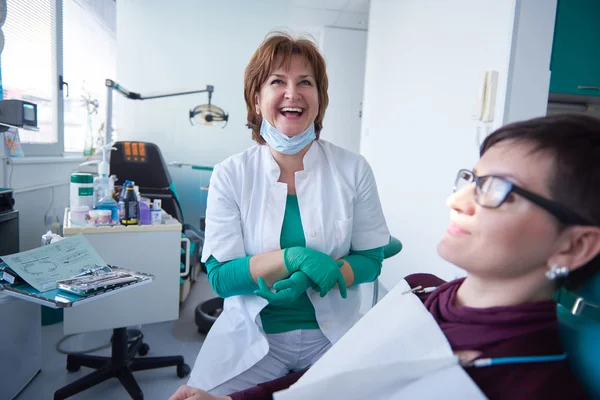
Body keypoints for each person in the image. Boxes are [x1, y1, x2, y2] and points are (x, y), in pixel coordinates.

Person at [170, 114, 600, 400]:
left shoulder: (536, 384)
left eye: (498, 189)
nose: (457, 199)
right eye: (471, 178)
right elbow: (339, 378)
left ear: (575, 246)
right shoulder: (424, 293)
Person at [169, 32, 390, 399]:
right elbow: (222, 278)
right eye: (277, 82)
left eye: (306, 82)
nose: (293, 93)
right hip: (253, 341)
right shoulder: (231, 174)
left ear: (320, 99)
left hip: (331, 338)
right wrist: (293, 258)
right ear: (256, 100)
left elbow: (370, 259)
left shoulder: (353, 169)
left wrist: (326, 275)